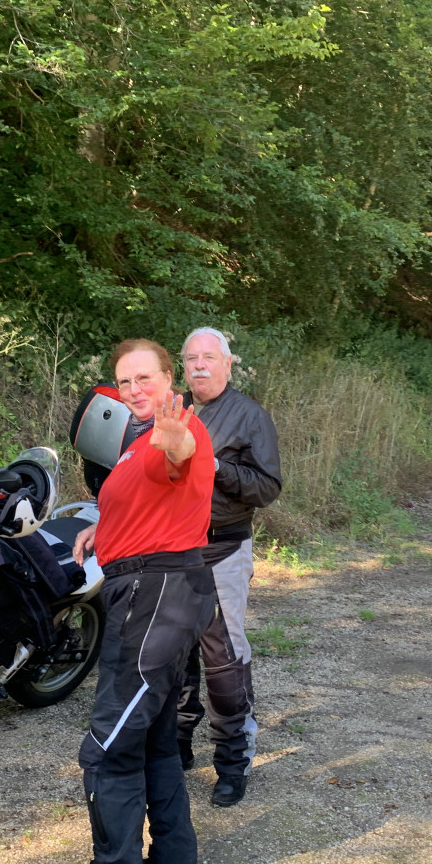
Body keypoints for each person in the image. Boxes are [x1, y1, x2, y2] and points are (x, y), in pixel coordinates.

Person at [48, 339, 217, 864]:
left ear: (169, 379)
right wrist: (103, 528)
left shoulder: (175, 431)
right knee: (152, 739)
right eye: (124, 382)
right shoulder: (134, 442)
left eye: (145, 377)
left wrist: (175, 440)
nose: (134, 389)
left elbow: (179, 458)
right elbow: (143, 500)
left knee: (107, 746)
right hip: (156, 590)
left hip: (156, 594)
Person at [174, 327, 282, 808]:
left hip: (223, 550)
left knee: (223, 657)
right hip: (172, 552)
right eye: (191, 358)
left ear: (227, 363)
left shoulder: (248, 415)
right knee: (175, 655)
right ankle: (176, 745)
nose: (199, 365)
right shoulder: (173, 410)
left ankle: (233, 762)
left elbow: (268, 487)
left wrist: (216, 467)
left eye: (208, 357)